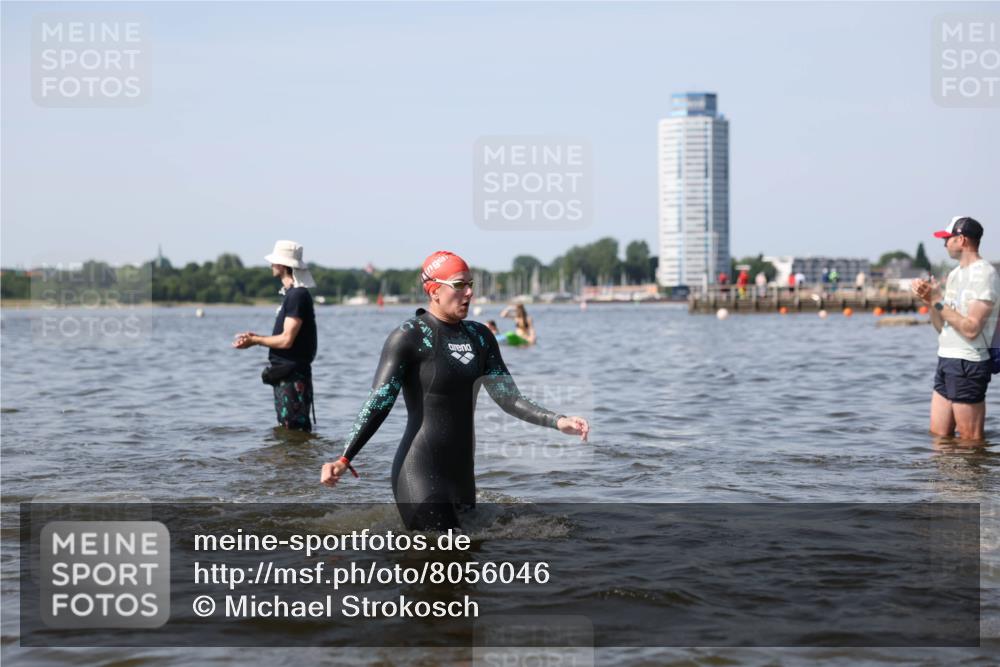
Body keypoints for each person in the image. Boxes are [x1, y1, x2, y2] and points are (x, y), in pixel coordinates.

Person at [320, 250, 589, 530]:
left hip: (461, 475)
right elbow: (379, 402)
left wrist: (558, 420)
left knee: (470, 553)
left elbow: (508, 397)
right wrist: (345, 458)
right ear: (434, 290)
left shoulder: (480, 337)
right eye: (459, 285)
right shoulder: (409, 336)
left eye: (470, 284)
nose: (469, 292)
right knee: (443, 548)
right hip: (419, 470)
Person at [911, 217, 999, 441]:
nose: (944, 244)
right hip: (946, 358)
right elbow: (941, 327)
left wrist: (937, 300)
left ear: (962, 239)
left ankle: (976, 467)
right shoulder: (954, 274)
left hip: (969, 362)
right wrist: (930, 301)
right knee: (939, 437)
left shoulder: (985, 274)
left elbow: (971, 328)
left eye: (947, 239)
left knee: (971, 441)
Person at [233, 241, 318, 432]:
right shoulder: (292, 295)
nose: (271, 265)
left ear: (282, 265)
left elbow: (287, 339)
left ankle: (299, 454)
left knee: (293, 430)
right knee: (289, 430)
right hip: (287, 374)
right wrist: (256, 337)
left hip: (293, 376)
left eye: (274, 262)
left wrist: (255, 341)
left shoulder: (297, 295)